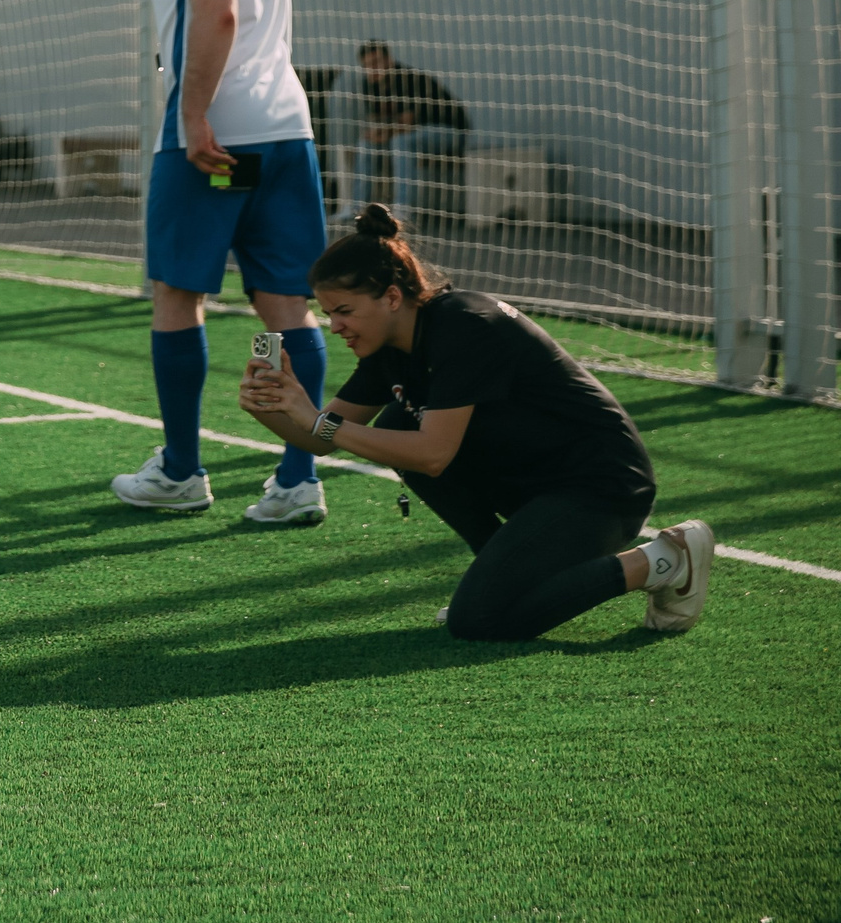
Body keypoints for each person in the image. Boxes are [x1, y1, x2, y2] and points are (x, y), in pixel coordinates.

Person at [240, 204, 714, 640]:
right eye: (329, 314)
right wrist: (275, 408)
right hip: (538, 484)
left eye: (344, 311)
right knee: (397, 428)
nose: (335, 326)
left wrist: (315, 420)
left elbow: (431, 455)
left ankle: (663, 560)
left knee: (479, 620)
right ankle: (497, 572)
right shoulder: (390, 348)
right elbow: (322, 441)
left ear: (390, 297)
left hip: (600, 489)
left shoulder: (464, 324)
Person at [107, 0, 332, 526]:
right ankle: (299, 478)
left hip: (211, 140)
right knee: (282, 307)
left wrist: (196, 116)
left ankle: (180, 468)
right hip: (286, 131)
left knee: (180, 295)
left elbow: (219, 8)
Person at [349, 42, 470, 224]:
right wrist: (375, 133)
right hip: (409, 134)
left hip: (450, 132)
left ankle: (402, 210)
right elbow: (376, 119)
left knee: (401, 142)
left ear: (389, 60)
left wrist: (384, 131)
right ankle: (357, 209)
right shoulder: (370, 85)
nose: (372, 69)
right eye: (366, 65)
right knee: (366, 142)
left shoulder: (407, 79)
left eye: (376, 63)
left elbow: (407, 122)